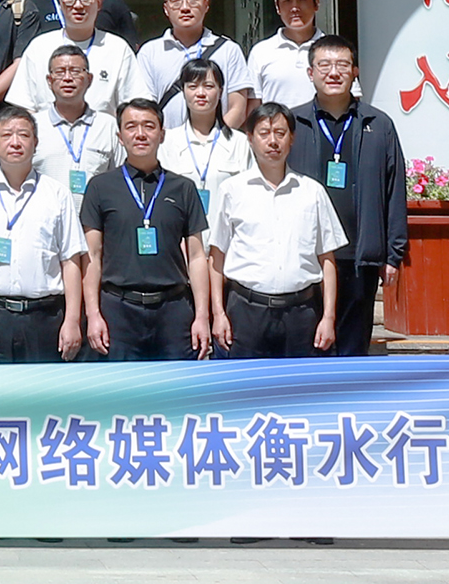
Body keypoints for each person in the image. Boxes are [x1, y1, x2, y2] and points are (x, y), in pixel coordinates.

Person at [286, 34, 408, 358]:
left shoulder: (378, 124)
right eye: (324, 65)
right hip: (306, 256)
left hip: (358, 256)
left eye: (342, 65)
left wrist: (393, 254)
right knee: (310, 346)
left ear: (355, 71)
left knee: (353, 348)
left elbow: (394, 190)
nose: (333, 72)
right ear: (310, 73)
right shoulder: (292, 124)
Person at [203, 102, 347, 359]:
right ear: (250, 138)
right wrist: (218, 313)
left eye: (280, 133)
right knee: (247, 383)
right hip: (246, 312)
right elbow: (216, 257)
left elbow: (327, 260)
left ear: (291, 139)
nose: (273, 141)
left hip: (301, 313)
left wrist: (328, 317)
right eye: (264, 133)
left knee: (300, 382)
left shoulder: (312, 192)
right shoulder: (232, 190)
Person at [0, 105, 85, 364]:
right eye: (7, 135)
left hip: (45, 318)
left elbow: (71, 262)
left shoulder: (58, 195)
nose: (16, 142)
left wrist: (72, 320)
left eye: (24, 134)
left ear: (36, 143)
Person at [78, 98, 210, 362]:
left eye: (149, 126)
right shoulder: (100, 187)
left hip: (173, 309)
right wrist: (93, 314)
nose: (140, 134)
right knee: (122, 386)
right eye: (131, 126)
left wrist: (202, 316)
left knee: (178, 385)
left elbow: (196, 256)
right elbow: (92, 255)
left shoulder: (183, 188)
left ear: (162, 134)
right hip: (118, 310)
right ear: (120, 136)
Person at [126, 0, 254, 128]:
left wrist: (216, 139)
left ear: (206, 5)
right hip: (167, 141)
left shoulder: (228, 50)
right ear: (166, 9)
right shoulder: (149, 52)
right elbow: (145, 108)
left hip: (218, 140)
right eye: (176, 1)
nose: (185, 7)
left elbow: (238, 108)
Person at [8, 0, 135, 122]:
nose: (78, 5)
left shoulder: (118, 49)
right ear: (59, 1)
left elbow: (134, 105)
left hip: (101, 136)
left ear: (99, 3)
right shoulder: (39, 47)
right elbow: (22, 105)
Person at [30, 43, 122, 198]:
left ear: (89, 79)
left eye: (75, 71)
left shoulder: (108, 126)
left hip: (95, 213)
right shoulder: (33, 126)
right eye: (60, 72)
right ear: (49, 80)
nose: (67, 78)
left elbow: (120, 179)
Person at [163, 59, 251, 203]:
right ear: (183, 91)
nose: (201, 93)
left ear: (220, 91)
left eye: (208, 86)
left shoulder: (239, 143)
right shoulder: (167, 142)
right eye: (192, 86)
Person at [245, 0, 331, 108]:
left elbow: (350, 100)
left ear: (316, 3)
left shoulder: (333, 50)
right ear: (277, 7)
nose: (294, 8)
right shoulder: (261, 52)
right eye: (287, 1)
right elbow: (253, 108)